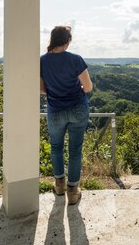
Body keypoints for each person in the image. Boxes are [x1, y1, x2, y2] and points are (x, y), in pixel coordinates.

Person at [40, 26, 93, 205]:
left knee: (56, 147)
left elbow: (41, 89)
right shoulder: (75, 59)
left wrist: (55, 90)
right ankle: (72, 190)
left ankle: (59, 185)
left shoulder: (42, 61)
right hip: (78, 108)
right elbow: (88, 88)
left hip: (55, 110)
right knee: (75, 150)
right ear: (67, 40)